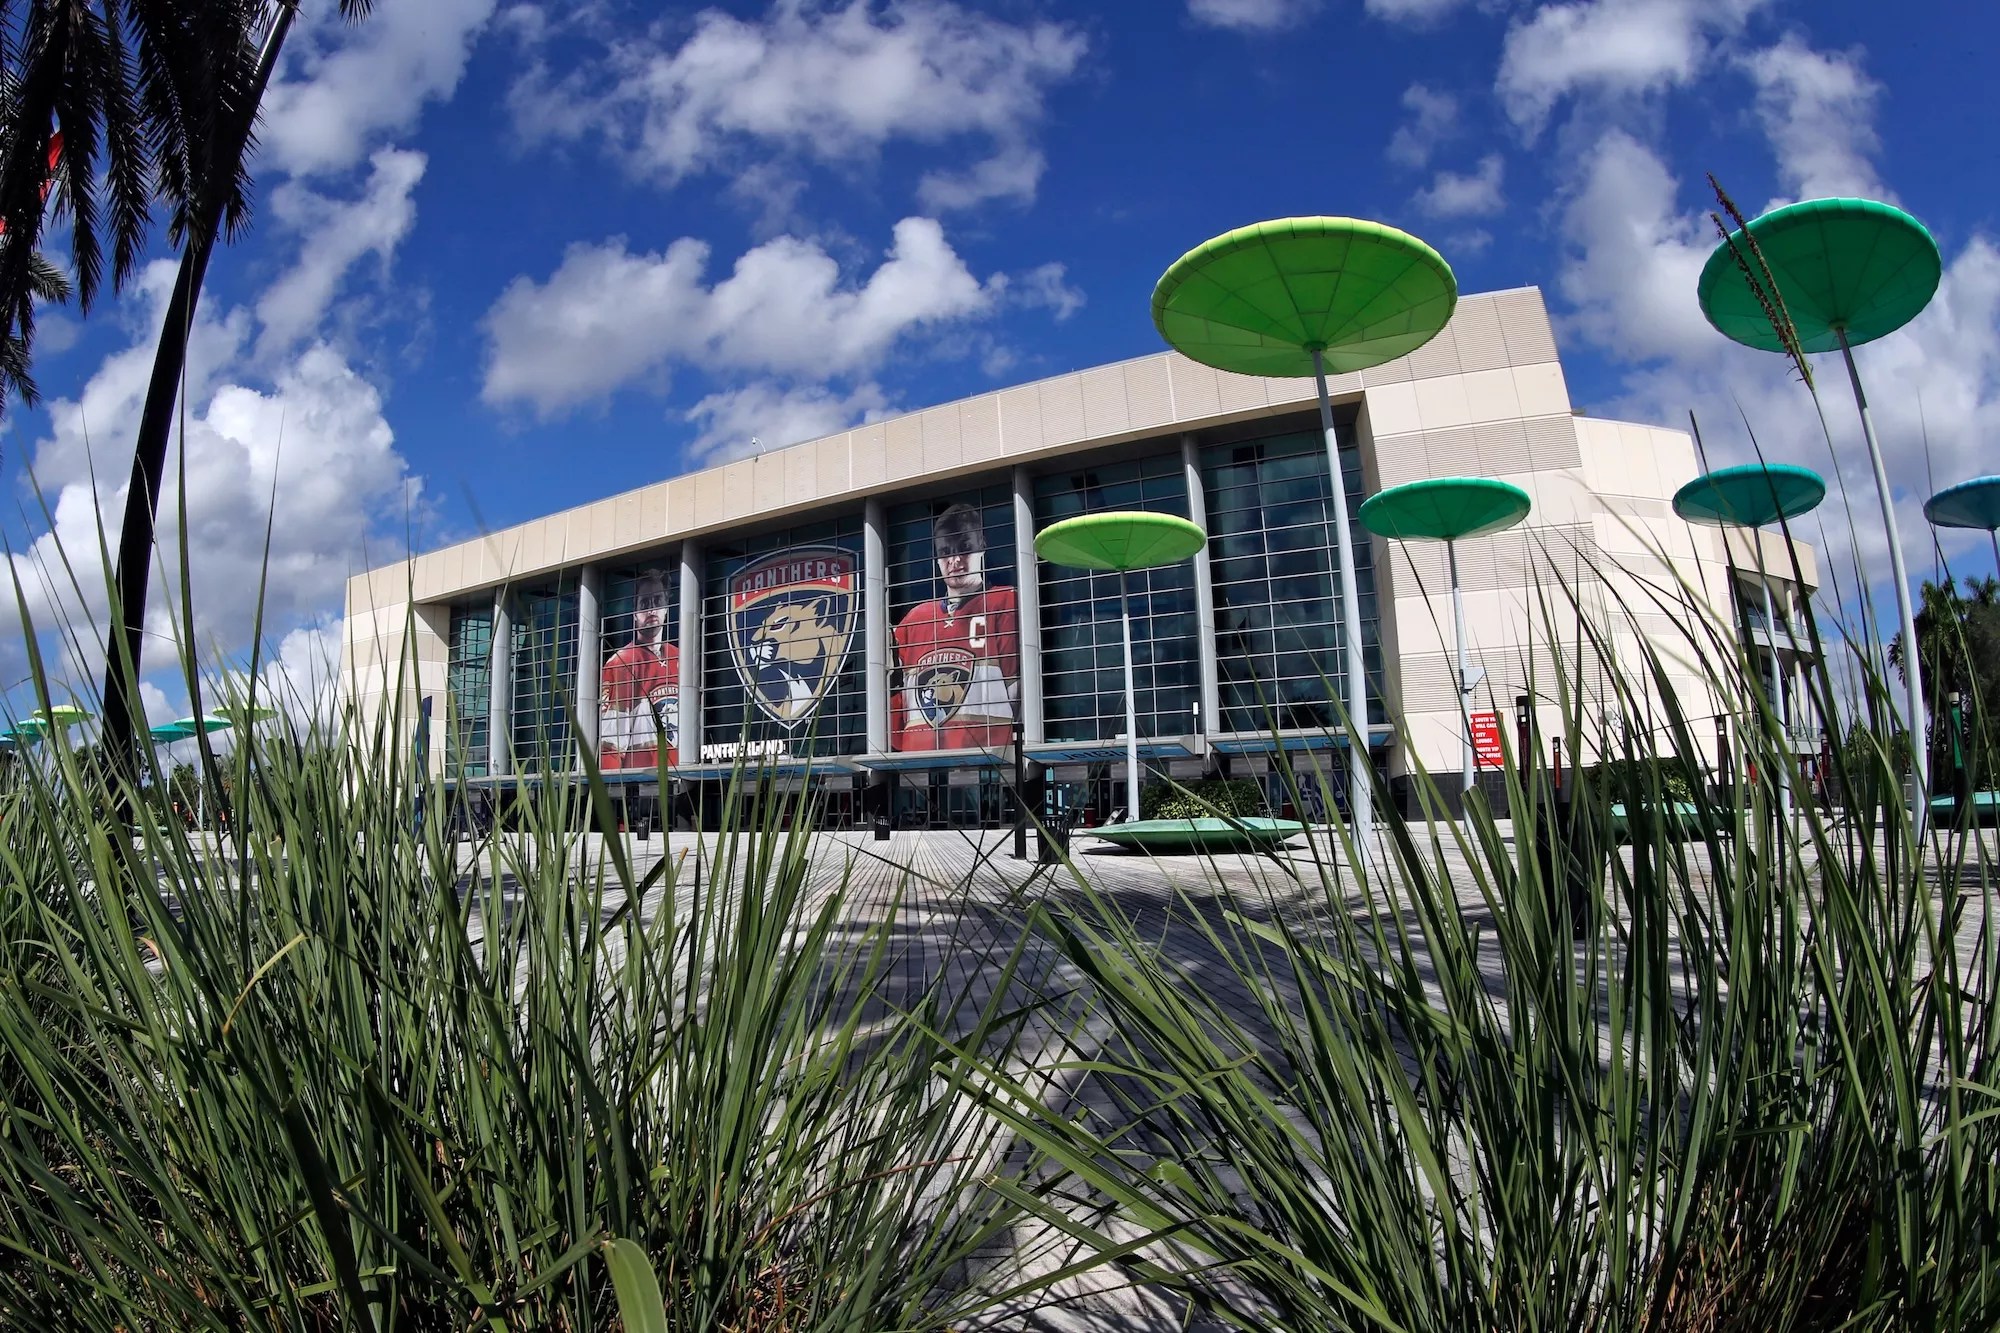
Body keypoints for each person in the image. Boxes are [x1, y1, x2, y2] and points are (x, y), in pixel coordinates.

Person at [893, 504, 1019, 750]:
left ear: (981, 545)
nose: (955, 561)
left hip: (990, 756)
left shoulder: (1005, 602)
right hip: (921, 759)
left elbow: (1017, 689)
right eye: (945, 552)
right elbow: (898, 695)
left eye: (965, 549)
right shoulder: (915, 618)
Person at [601, 570, 679, 770]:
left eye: (657, 601)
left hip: (684, 778)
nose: (652, 610)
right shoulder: (621, 663)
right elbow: (610, 745)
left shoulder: (681, 658)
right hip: (644, 783)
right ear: (635, 612)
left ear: (666, 607)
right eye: (645, 604)